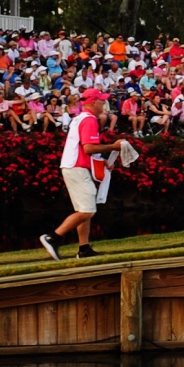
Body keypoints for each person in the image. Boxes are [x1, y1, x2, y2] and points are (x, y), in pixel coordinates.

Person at [41, 88, 119, 260]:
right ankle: (52, 238)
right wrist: (114, 146)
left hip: (73, 165)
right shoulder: (90, 120)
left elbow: (85, 148)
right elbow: (89, 148)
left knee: (83, 208)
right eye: (101, 100)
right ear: (92, 102)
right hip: (76, 167)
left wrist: (102, 161)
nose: (103, 103)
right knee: (87, 210)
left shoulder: (80, 118)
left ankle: (83, 249)